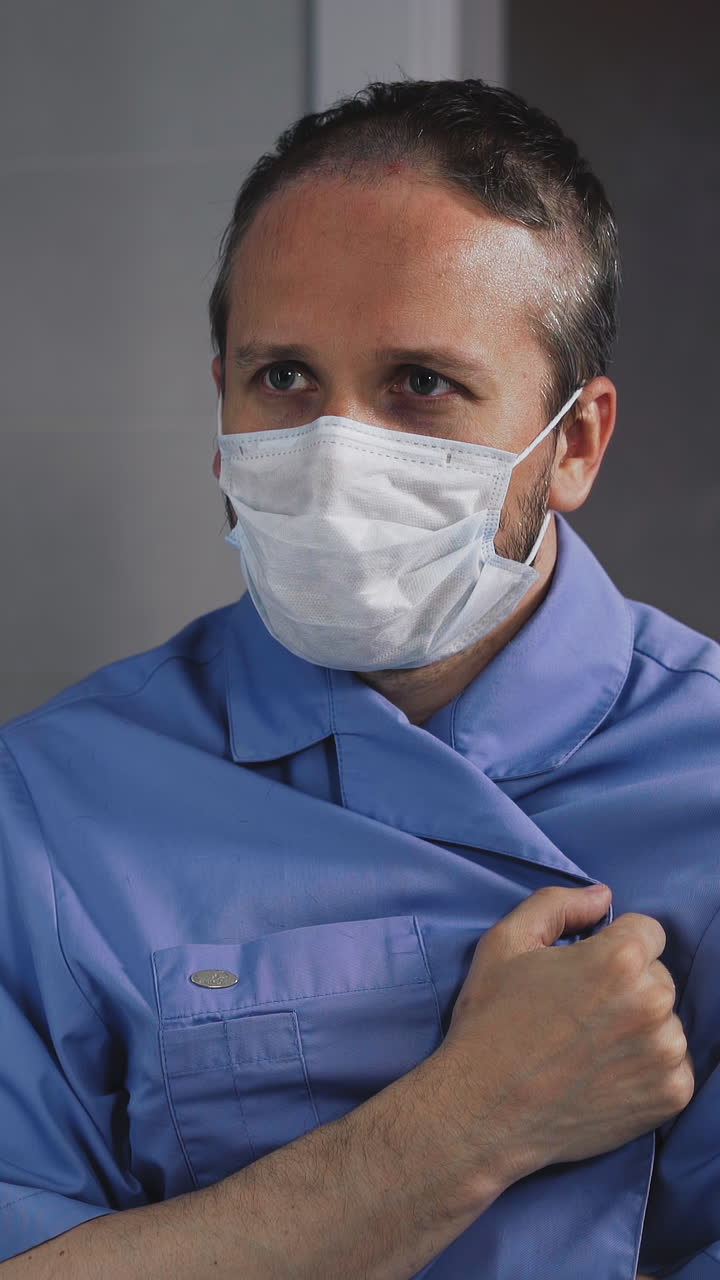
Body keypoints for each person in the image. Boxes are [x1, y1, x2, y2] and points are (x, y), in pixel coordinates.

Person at [0, 76, 716, 1279]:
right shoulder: (51, 807)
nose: (335, 454)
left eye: (421, 383)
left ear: (575, 441)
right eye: (283, 377)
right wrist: (466, 1125)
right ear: (218, 398)